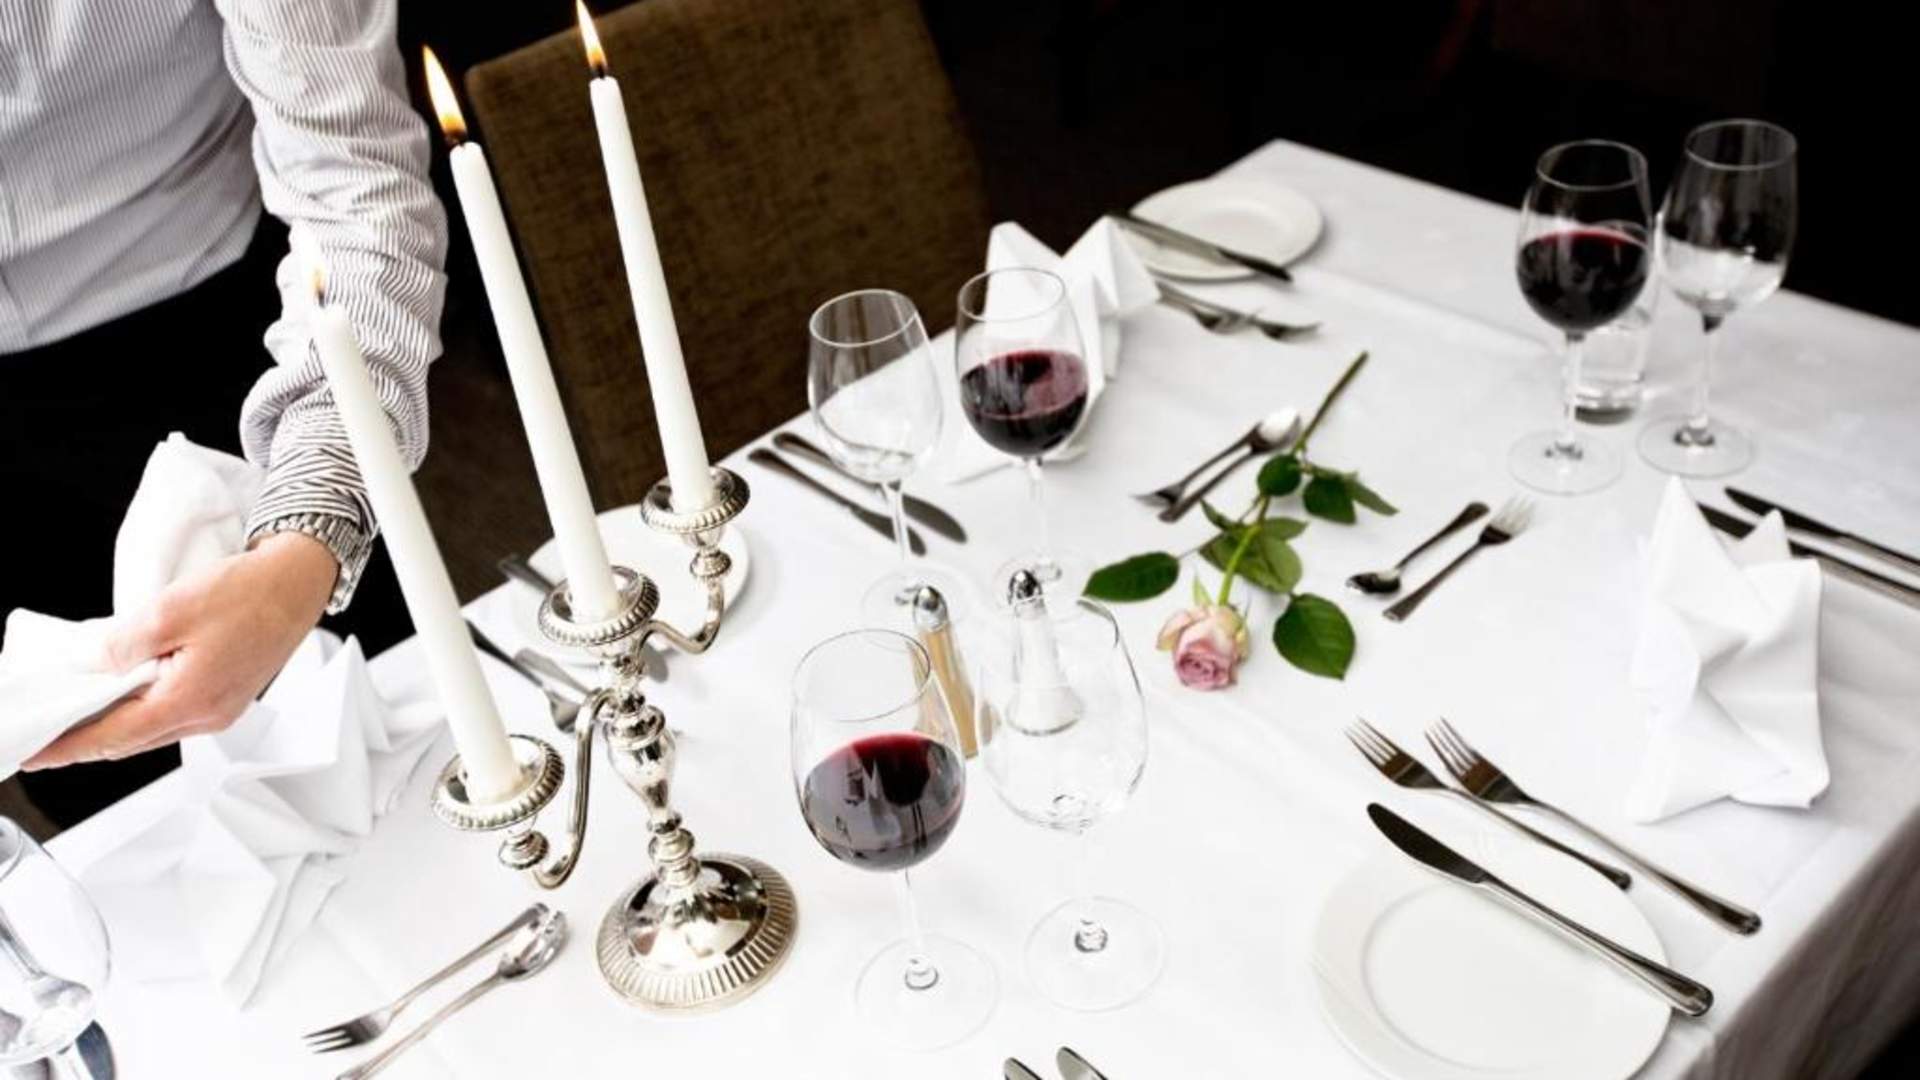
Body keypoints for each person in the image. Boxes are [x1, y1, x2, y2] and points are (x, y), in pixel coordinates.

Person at [0, 0, 447, 824]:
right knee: (120, 829)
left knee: (386, 763)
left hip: (229, 338)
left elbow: (355, 184)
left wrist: (306, 541)